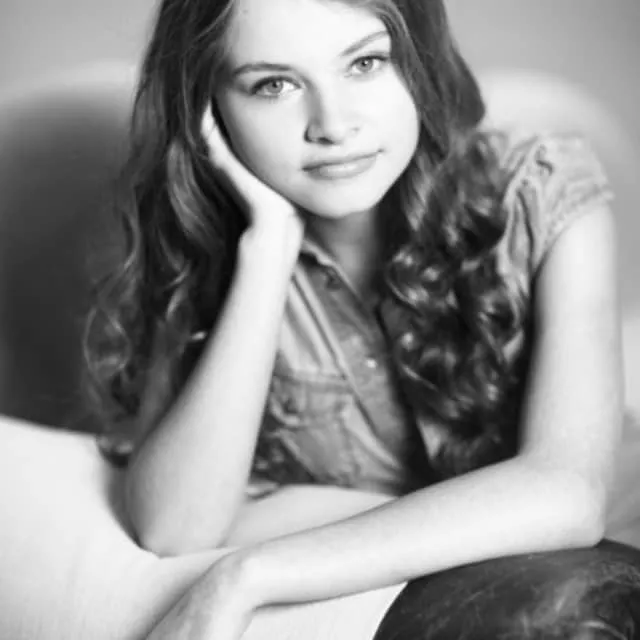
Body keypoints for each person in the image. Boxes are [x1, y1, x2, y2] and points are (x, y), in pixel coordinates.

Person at [84, 0, 640, 637]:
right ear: (207, 109)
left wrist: (248, 575)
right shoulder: (212, 255)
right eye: (274, 85)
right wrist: (268, 248)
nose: (333, 125)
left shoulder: (538, 188)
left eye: (365, 64)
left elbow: (566, 494)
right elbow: (174, 527)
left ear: (419, 63)